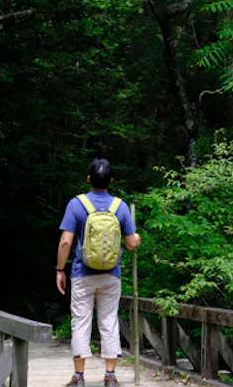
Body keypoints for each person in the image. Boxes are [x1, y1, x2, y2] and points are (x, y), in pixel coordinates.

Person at [55, 158, 142, 387]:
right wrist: (137, 239)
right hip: (111, 275)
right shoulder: (120, 207)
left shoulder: (77, 204)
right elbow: (132, 243)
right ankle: (111, 375)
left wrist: (59, 270)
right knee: (108, 320)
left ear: (88, 179)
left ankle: (79, 377)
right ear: (111, 181)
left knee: (81, 322)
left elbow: (66, 242)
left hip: (82, 273)